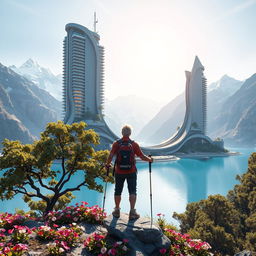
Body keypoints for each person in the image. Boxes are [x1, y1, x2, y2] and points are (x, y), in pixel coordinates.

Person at [105, 125, 153, 220]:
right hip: (131, 171)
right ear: (130, 133)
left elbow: (110, 156)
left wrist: (107, 164)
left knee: (118, 191)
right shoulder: (134, 144)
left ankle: (117, 210)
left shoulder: (116, 144)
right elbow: (142, 156)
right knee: (132, 191)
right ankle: (132, 212)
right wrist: (150, 160)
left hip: (119, 171)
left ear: (122, 133)